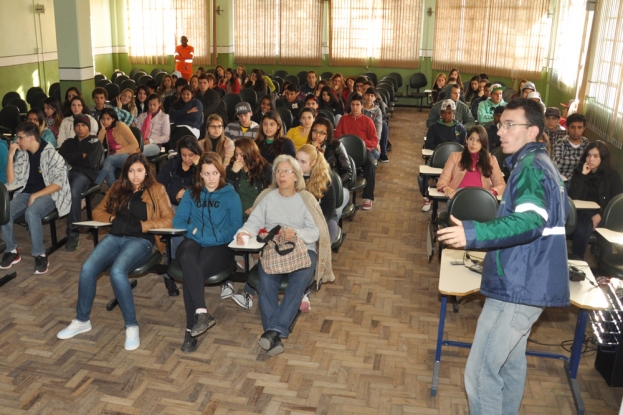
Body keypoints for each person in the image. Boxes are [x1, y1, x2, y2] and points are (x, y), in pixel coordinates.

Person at [437, 99, 569, 415]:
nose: (501, 131)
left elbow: (530, 222)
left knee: (481, 373)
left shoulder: (531, 169)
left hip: (518, 287)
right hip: (523, 282)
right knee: (510, 364)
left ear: (533, 131)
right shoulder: (537, 164)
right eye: (501, 124)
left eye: (511, 125)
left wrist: (473, 233)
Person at [56, 154, 174, 351]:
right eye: (131, 171)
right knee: (87, 268)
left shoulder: (157, 189)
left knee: (118, 271)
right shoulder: (118, 188)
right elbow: (97, 212)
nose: (135, 176)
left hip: (142, 241)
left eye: (139, 171)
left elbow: (169, 219)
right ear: (126, 172)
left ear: (146, 171)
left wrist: (143, 225)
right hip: (115, 237)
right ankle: (82, 320)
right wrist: (111, 220)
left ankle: (131, 326)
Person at [234, 155, 334, 356]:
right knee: (266, 280)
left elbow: (316, 232)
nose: (281, 175)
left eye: (286, 171)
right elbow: (254, 222)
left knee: (298, 282)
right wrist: (243, 233)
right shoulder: (268, 197)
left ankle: (272, 331)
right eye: (278, 171)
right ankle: (275, 333)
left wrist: (296, 234)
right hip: (275, 249)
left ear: (296, 176)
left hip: (304, 250)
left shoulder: (306, 199)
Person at [172, 152, 242, 353]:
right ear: (200, 175)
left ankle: (189, 330)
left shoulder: (231, 195)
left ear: (221, 173)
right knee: (186, 257)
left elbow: (235, 227)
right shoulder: (191, 194)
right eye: (206, 174)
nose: (211, 178)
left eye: (215, 173)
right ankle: (202, 313)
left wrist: (213, 238)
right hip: (194, 240)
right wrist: (196, 232)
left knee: (192, 273)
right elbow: (178, 222)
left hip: (220, 246)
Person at [0, 122, 70, 274]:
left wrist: (36, 195)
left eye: (20, 138)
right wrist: (11, 157)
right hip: (27, 193)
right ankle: (12, 250)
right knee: (5, 211)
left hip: (49, 193)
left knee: (31, 212)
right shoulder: (24, 154)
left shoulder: (51, 154)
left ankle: (40, 254)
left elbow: (58, 184)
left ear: (31, 138)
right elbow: (12, 181)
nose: (17, 141)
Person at [225, 138, 273, 310]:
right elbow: (224, 194)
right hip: (236, 218)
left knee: (256, 251)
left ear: (251, 154)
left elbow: (273, 194)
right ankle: (228, 281)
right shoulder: (232, 170)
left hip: (260, 218)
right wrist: (232, 174)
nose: (238, 158)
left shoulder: (266, 168)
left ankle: (248, 293)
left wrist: (257, 205)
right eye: (236, 154)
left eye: (242, 155)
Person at [568, 141, 623, 259]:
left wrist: (600, 214)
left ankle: (580, 260)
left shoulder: (612, 175)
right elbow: (573, 197)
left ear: (603, 158)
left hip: (602, 212)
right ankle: (576, 259)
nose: (590, 159)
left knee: (582, 230)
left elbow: (615, 203)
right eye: (588, 155)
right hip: (580, 211)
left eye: (595, 156)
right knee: (580, 227)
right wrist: (582, 175)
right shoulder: (579, 171)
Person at [58, 114, 104, 251]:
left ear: (88, 127)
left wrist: (74, 158)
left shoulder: (94, 142)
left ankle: (73, 232)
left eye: (83, 125)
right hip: (68, 172)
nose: (80, 128)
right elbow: (61, 155)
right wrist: (80, 155)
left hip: (85, 175)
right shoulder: (69, 142)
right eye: (77, 125)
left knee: (73, 191)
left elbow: (90, 162)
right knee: (53, 186)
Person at [420, 99, 468, 211]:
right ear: (441, 114)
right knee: (421, 178)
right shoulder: (434, 128)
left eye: (450, 112)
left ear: (454, 114)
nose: (447, 115)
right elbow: (429, 145)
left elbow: (463, 147)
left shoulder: (460, 129)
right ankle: (427, 198)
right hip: (437, 162)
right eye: (445, 113)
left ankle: (456, 199)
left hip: (456, 164)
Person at [436, 125, 506, 199]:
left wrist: (491, 192)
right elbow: (442, 180)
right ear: (467, 140)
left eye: (478, 140)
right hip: (459, 196)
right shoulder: (454, 157)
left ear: (483, 143)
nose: (474, 143)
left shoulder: (491, 160)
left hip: (482, 198)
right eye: (471, 139)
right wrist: (446, 188)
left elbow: (501, 185)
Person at [335, 93, 379, 210]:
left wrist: (362, 145)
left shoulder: (368, 121)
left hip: (363, 151)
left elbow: (374, 139)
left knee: (370, 163)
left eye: (357, 105)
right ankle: (340, 193)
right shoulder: (343, 119)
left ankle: (368, 196)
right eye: (353, 105)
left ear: (362, 106)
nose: (355, 107)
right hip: (345, 151)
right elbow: (338, 135)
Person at [95, 108, 140, 186]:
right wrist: (102, 129)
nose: (105, 121)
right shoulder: (105, 129)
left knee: (109, 159)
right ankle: (115, 191)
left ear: (113, 119)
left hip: (130, 155)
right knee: (108, 171)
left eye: (108, 119)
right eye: (103, 118)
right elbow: (98, 144)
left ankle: (96, 183)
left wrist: (118, 152)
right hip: (115, 158)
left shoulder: (121, 126)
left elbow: (135, 144)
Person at [552, 113, 589, 180]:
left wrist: (566, 160)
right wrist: (582, 160)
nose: (576, 131)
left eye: (579, 127)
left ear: (584, 129)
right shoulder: (560, 143)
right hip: (562, 181)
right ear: (567, 128)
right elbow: (558, 163)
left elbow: (590, 164)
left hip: (581, 181)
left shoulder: (587, 145)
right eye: (573, 127)